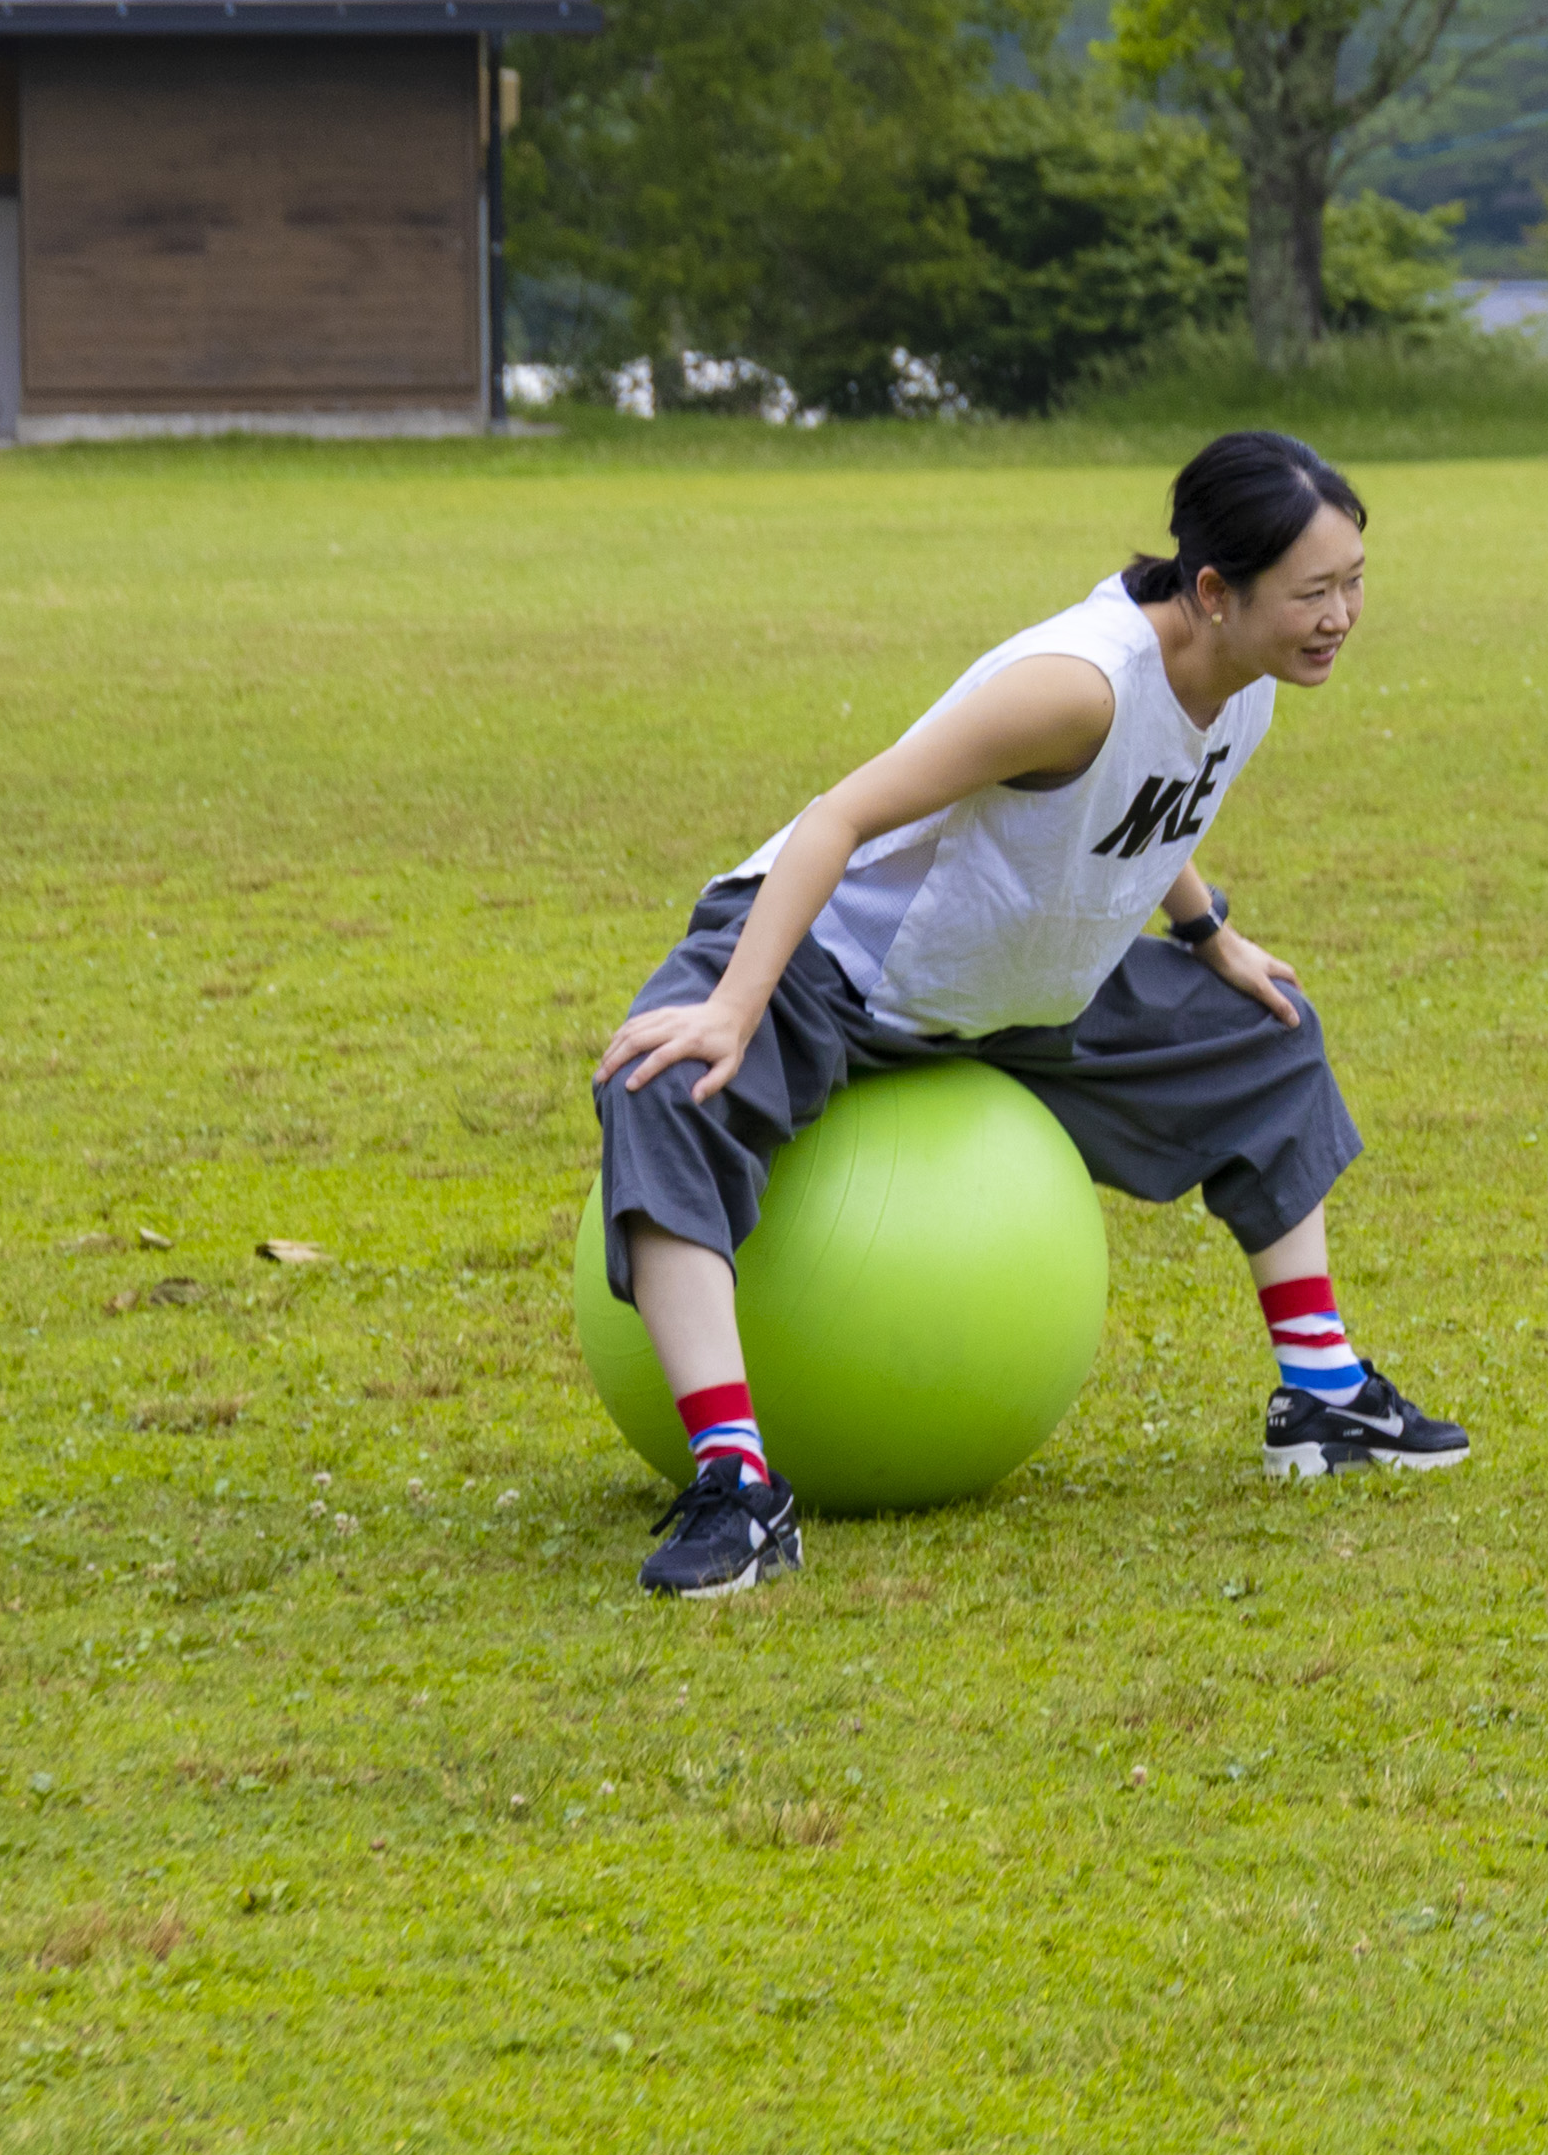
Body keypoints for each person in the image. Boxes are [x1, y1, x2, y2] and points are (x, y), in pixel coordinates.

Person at [589, 431, 1466, 1600]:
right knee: (660, 1086)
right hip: (834, 963)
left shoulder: (1242, 677)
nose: (1341, 616)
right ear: (1214, 592)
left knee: (1267, 1027)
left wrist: (1212, 936)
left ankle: (1322, 1393)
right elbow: (836, 816)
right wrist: (735, 1006)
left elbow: (1146, 811)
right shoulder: (1076, 685)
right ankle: (737, 1485)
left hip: (1011, 983)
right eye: (1314, 592)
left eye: (1355, 583)